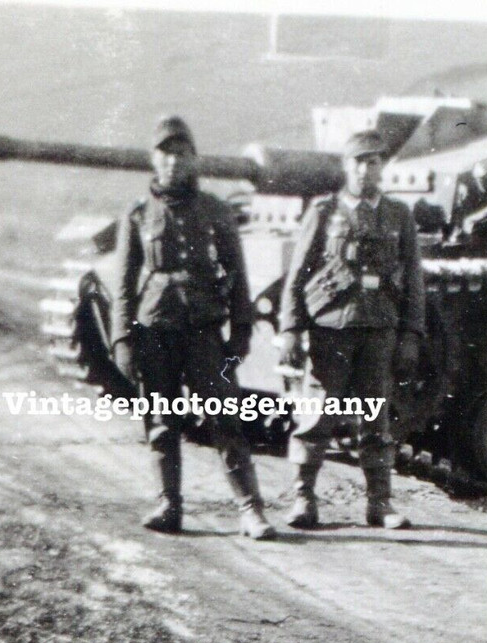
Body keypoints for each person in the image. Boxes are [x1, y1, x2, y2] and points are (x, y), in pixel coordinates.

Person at [110, 115, 275, 540]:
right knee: (161, 420)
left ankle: (251, 509)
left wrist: (241, 329)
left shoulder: (216, 211)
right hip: (156, 330)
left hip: (204, 330)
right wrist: (123, 340)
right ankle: (169, 504)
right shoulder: (138, 214)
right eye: (165, 154)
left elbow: (237, 274)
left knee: (225, 418)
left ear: (193, 160)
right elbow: (123, 285)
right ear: (153, 159)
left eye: (182, 154)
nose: (173, 162)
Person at [277, 129, 425, 530]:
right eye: (358, 162)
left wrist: (411, 333)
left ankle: (380, 503)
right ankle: (304, 499)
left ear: (382, 167)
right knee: (316, 417)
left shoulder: (398, 215)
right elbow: (297, 274)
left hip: (379, 330)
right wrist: (290, 328)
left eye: (372, 162)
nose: (365, 170)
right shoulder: (324, 212)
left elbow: (413, 278)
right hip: (332, 329)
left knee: (375, 419)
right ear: (346, 167)